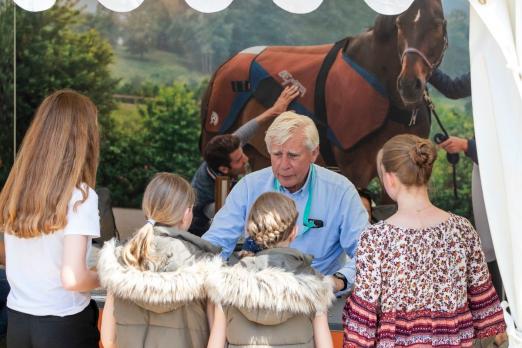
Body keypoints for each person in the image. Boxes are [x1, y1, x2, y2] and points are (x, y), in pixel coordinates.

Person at [343, 134, 506, 347]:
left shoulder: (375, 239)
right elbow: (483, 305)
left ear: (390, 178)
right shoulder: (462, 229)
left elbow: (362, 322)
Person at [203, 111, 369, 293]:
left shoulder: (341, 191)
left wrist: (338, 281)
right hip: (259, 295)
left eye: (293, 155)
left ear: (314, 154)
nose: (283, 165)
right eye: (277, 154)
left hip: (318, 297)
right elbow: (215, 243)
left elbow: (368, 252)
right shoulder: (249, 187)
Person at [0, 90, 101, 348]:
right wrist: (110, 276)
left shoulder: (17, 189)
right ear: (84, 138)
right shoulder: (80, 195)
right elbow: (74, 278)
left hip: (19, 321)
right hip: (63, 324)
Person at [97, 172, 222, 348]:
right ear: (187, 213)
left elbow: (108, 338)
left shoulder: (122, 259)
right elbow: (216, 340)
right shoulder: (203, 263)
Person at [206, 192, 334, 348]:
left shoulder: (227, 283)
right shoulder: (315, 283)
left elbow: (215, 343)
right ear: (294, 232)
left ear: (250, 231)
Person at [190, 85, 299, 236]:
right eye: (239, 159)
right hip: (203, 230)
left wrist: (275, 110)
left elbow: (248, 130)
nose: (246, 158)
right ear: (224, 169)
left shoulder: (228, 151)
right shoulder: (204, 192)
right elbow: (224, 211)